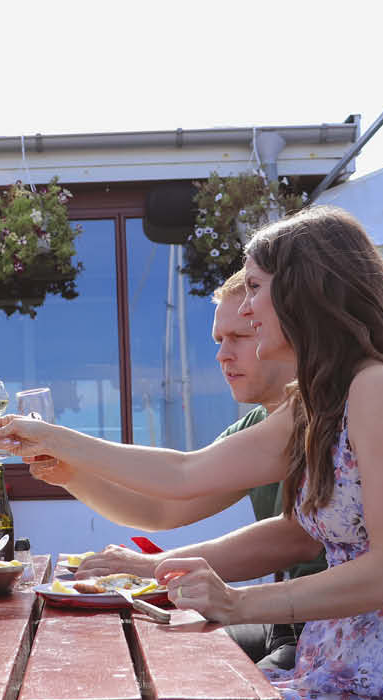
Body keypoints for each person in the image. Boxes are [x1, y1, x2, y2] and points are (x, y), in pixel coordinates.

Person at [0, 206, 383, 698]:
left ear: (304, 292)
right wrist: (61, 454)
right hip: (346, 657)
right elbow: (183, 476)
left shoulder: (379, 388)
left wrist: (238, 603)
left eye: (256, 288)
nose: (249, 306)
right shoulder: (319, 402)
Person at [59, 268, 322, 672]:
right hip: (286, 621)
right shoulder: (259, 425)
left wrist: (149, 567)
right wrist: (68, 474)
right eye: (219, 340)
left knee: (170, 669)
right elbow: (163, 507)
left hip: (333, 628)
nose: (221, 355)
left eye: (240, 336)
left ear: (288, 333)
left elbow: (296, 537)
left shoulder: (323, 413)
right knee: (145, 654)